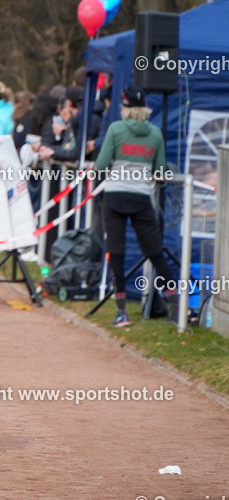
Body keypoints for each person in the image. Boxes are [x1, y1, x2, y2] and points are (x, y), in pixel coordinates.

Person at [95, 86, 178, 327]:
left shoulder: (115, 129)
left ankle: (122, 313)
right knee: (155, 253)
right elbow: (160, 172)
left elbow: (101, 165)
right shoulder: (155, 133)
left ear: (124, 107)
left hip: (115, 197)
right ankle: (176, 307)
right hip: (141, 198)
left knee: (117, 254)